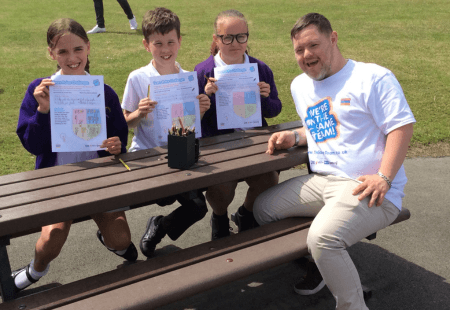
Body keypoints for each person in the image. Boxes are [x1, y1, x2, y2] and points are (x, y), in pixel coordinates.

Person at [253, 13, 415, 310]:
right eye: (299, 50)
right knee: (262, 209)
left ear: (334, 38)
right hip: (323, 181)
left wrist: (384, 177)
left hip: (369, 187)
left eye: (313, 45)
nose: (306, 55)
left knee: (324, 238)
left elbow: (401, 127)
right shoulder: (300, 85)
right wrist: (295, 136)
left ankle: (352, 304)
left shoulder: (372, 77)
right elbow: (321, 126)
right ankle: (323, 267)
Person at [14, 18, 137, 293]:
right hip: (57, 181)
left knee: (121, 239)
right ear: (51, 54)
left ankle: (108, 240)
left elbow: (119, 140)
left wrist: (116, 146)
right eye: (63, 52)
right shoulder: (40, 90)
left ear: (89, 48)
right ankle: (35, 270)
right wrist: (42, 111)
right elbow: (33, 145)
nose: (72, 58)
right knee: (53, 237)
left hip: (97, 179)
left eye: (78, 49)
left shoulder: (103, 92)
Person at [121, 7, 211, 258]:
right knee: (151, 196)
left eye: (170, 41)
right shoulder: (138, 78)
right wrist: (138, 113)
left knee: (198, 207)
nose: (165, 49)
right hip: (147, 154)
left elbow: (190, 124)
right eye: (157, 43)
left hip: (180, 151)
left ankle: (160, 227)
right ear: (146, 44)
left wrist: (201, 109)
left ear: (180, 41)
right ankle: (112, 235)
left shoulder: (187, 78)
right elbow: (125, 123)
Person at [194, 10, 282, 240]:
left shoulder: (260, 68)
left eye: (241, 36)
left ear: (247, 38)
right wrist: (205, 99)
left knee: (269, 179)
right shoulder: (202, 71)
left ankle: (245, 213)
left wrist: (265, 98)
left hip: (254, 142)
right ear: (216, 39)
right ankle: (220, 217)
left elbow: (275, 110)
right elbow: (192, 121)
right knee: (222, 187)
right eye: (227, 37)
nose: (235, 43)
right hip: (219, 146)